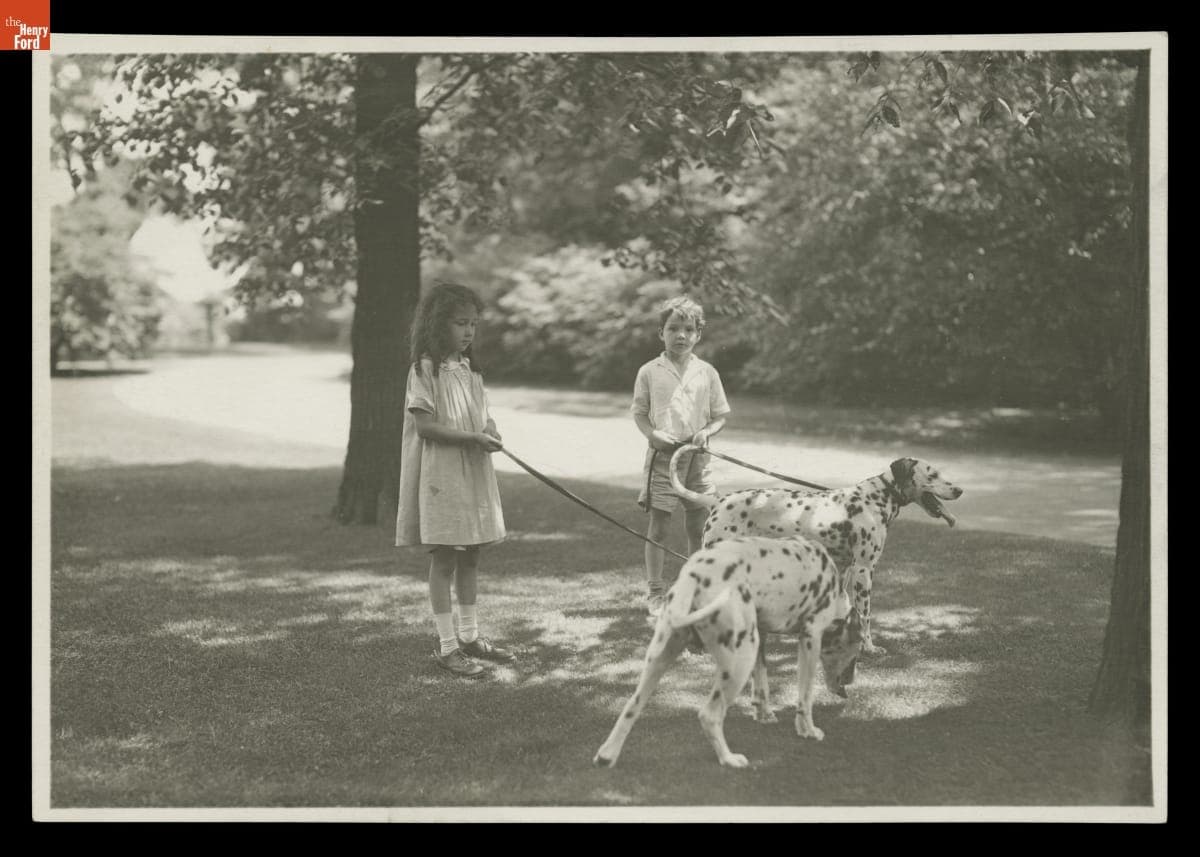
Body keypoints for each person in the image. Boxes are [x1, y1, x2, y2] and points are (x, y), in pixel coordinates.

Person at [396, 282, 515, 678]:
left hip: (473, 473)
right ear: (437, 323)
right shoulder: (424, 370)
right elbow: (426, 427)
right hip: (443, 477)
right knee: (446, 557)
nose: (468, 332)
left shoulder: (469, 369)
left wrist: (491, 430)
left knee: (472, 554)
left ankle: (469, 636)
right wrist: (473, 439)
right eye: (460, 323)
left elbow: (483, 415)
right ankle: (447, 646)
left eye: (474, 324)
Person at [631, 296, 731, 618]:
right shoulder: (650, 371)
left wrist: (707, 432)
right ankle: (656, 591)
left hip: (698, 457)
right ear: (661, 332)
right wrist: (652, 435)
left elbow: (719, 416)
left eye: (689, 329)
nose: (681, 335)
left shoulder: (708, 372)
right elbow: (640, 413)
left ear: (698, 334)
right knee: (659, 525)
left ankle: (694, 588)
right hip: (663, 458)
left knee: (699, 525)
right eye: (673, 328)